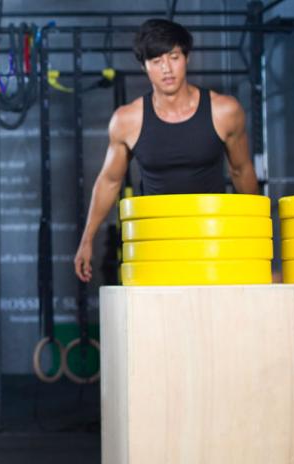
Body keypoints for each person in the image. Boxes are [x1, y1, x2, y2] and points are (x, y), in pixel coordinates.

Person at [74, 18, 259, 283]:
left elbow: (242, 171)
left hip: (211, 237)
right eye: (157, 61)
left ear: (186, 58)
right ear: (144, 66)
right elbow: (109, 181)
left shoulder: (225, 111)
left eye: (173, 57)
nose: (167, 69)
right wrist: (87, 239)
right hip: (155, 242)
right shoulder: (127, 120)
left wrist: (255, 235)